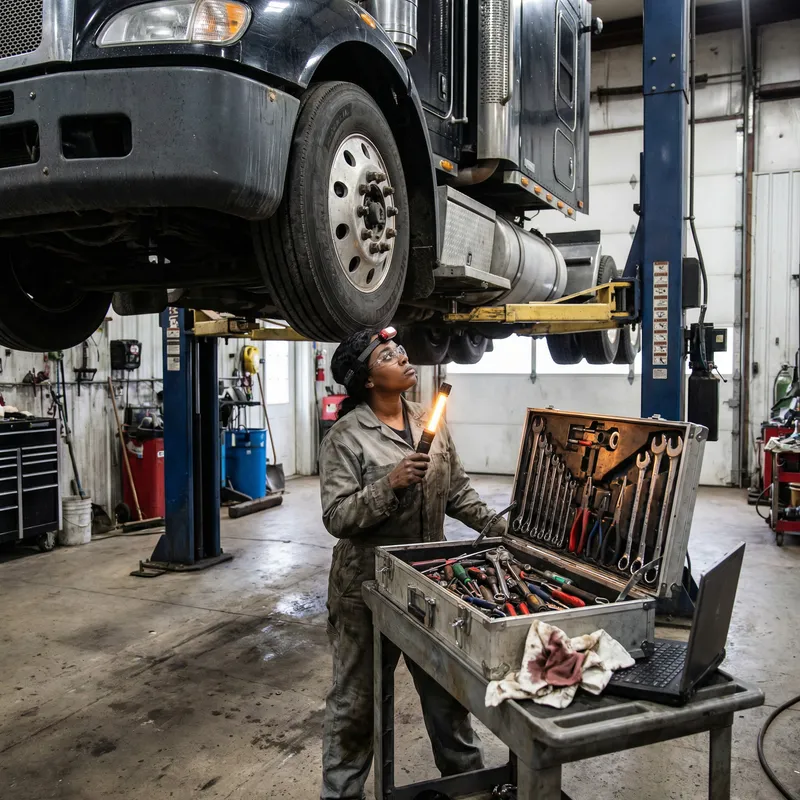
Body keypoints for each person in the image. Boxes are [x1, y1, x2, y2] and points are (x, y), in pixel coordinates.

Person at [318, 327, 507, 800]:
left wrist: (502, 528)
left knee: (448, 702)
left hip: (426, 583)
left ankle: (470, 791)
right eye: (388, 355)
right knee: (357, 709)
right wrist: (391, 485)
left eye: (401, 350)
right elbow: (337, 517)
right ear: (366, 379)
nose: (403, 358)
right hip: (365, 589)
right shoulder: (346, 436)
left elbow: (458, 491)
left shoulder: (430, 419)